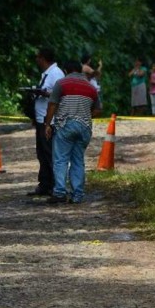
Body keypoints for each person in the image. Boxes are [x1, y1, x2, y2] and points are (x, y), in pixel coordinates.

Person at [44, 61, 101, 204]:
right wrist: (85, 116)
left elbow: (52, 104)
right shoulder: (91, 87)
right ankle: (77, 195)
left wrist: (48, 124)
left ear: (65, 70)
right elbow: (98, 109)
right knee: (77, 161)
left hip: (65, 126)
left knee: (61, 159)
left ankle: (59, 192)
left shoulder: (62, 83)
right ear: (80, 70)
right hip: (84, 128)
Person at [27, 48, 66, 196]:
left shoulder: (56, 73)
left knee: (50, 153)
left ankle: (56, 185)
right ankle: (45, 183)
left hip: (50, 120)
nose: (36, 60)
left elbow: (60, 94)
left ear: (43, 58)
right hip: (40, 118)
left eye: (37, 57)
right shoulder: (47, 74)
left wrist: (43, 93)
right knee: (42, 153)